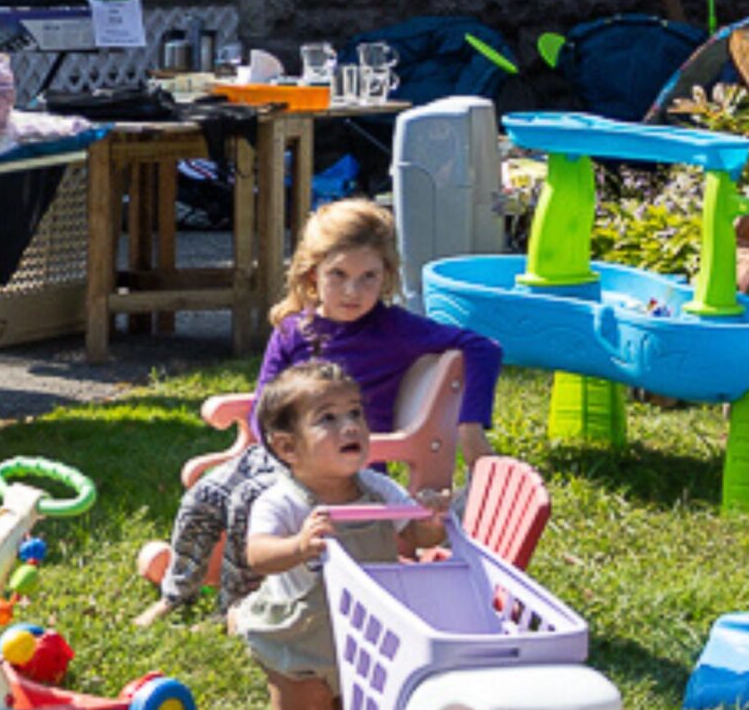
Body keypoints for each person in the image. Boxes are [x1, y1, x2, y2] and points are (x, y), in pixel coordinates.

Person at [142, 198, 503, 621]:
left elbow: (482, 348)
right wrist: (276, 450)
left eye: (369, 277)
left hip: (343, 467)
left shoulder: (395, 329)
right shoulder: (295, 329)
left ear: (386, 275)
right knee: (205, 492)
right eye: (339, 275)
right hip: (284, 453)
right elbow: (265, 402)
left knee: (246, 501)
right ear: (313, 273)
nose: (353, 291)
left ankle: (238, 607)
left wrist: (470, 429)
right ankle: (175, 593)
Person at [230, 361, 448, 710]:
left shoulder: (378, 489)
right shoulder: (282, 500)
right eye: (327, 418)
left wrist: (432, 520)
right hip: (301, 642)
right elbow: (258, 555)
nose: (350, 425)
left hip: (366, 642)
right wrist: (299, 544)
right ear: (288, 447)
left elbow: (418, 536)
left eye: (355, 413)